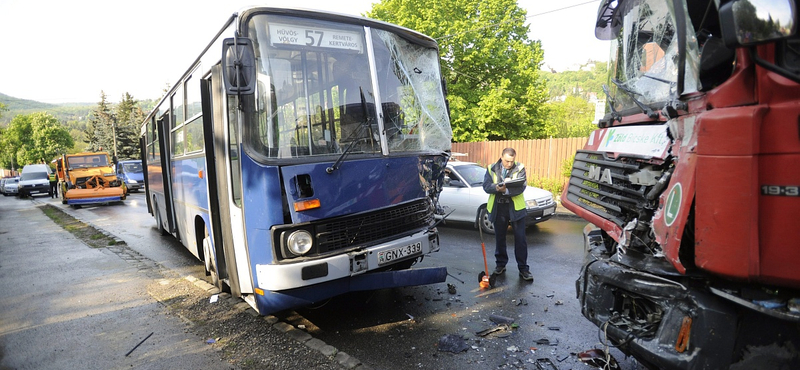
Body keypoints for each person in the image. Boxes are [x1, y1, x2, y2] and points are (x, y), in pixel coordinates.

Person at [482, 147, 533, 281]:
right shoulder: (491, 168)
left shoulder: (520, 168)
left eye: (511, 161)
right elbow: (486, 186)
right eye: (506, 161)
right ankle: (500, 265)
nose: (509, 164)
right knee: (500, 238)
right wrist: (496, 188)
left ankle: (523, 269)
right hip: (499, 208)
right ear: (501, 157)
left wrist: (505, 191)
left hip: (515, 208)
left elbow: (521, 187)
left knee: (520, 239)